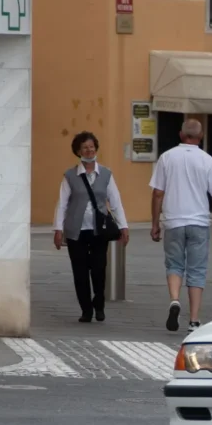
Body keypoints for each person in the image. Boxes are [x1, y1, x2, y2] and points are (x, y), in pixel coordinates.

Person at [149, 119, 212, 333]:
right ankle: (193, 320)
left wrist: (155, 222)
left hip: (173, 221)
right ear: (200, 137)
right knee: (197, 270)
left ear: (180, 135)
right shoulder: (207, 160)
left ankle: (175, 299)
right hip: (199, 222)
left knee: (174, 265)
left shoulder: (166, 157)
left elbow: (157, 193)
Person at [52, 131, 130, 323]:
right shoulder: (70, 176)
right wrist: (58, 229)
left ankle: (99, 303)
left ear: (96, 148)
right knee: (79, 272)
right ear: (78, 151)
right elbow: (62, 203)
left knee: (98, 269)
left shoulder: (106, 174)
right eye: (85, 147)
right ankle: (86, 310)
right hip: (76, 231)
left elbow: (116, 201)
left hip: (99, 230)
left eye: (92, 146)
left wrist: (124, 226)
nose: (89, 150)